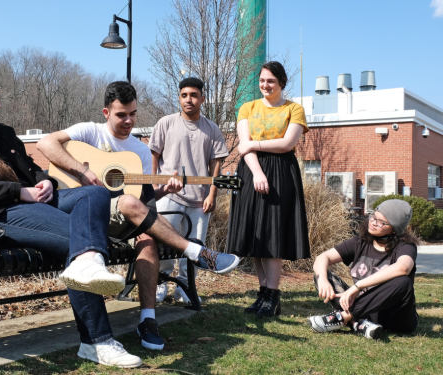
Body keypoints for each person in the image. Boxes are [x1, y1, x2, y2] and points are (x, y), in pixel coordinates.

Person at [0, 69, 142, 368]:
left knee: (95, 194)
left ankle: (89, 264)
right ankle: (97, 342)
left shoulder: (2, 133)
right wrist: (19, 193)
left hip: (35, 203)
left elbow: (31, 167)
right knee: (77, 243)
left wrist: (45, 183)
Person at [38, 81, 240, 351]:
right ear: (106, 112)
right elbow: (45, 143)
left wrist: (164, 189)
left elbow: (144, 202)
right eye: (121, 114)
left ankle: (148, 320)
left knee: (147, 236)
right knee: (128, 202)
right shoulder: (88, 132)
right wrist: (82, 172)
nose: (129, 120)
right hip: (83, 214)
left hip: (120, 220)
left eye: (133, 114)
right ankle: (196, 252)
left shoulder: (140, 151)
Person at [226, 61, 310, 318]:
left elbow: (287, 143)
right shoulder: (247, 107)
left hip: (282, 173)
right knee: (256, 234)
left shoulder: (294, 109)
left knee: (273, 232)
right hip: (252, 172)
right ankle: (262, 294)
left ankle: (273, 297)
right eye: (262, 81)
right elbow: (243, 147)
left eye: (271, 81)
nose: (265, 85)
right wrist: (258, 172)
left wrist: (255, 145)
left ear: (282, 82)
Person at [149, 77, 229, 304]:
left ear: (202, 98)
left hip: (199, 200)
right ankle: (160, 285)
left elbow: (216, 165)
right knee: (163, 244)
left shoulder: (212, 129)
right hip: (168, 195)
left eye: (193, 95)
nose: (189, 100)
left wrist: (212, 194)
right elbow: (153, 155)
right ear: (179, 98)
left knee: (195, 247)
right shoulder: (165, 123)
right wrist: (156, 186)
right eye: (184, 95)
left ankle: (184, 289)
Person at [309, 199, 419, 339]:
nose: (373, 222)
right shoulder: (360, 241)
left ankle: (343, 317)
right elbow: (323, 258)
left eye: (381, 222)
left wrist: (358, 286)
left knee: (403, 282)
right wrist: (323, 280)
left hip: (395, 317)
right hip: (365, 308)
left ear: (395, 229)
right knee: (323, 275)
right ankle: (358, 324)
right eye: (373, 216)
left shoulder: (405, 246)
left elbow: (403, 268)